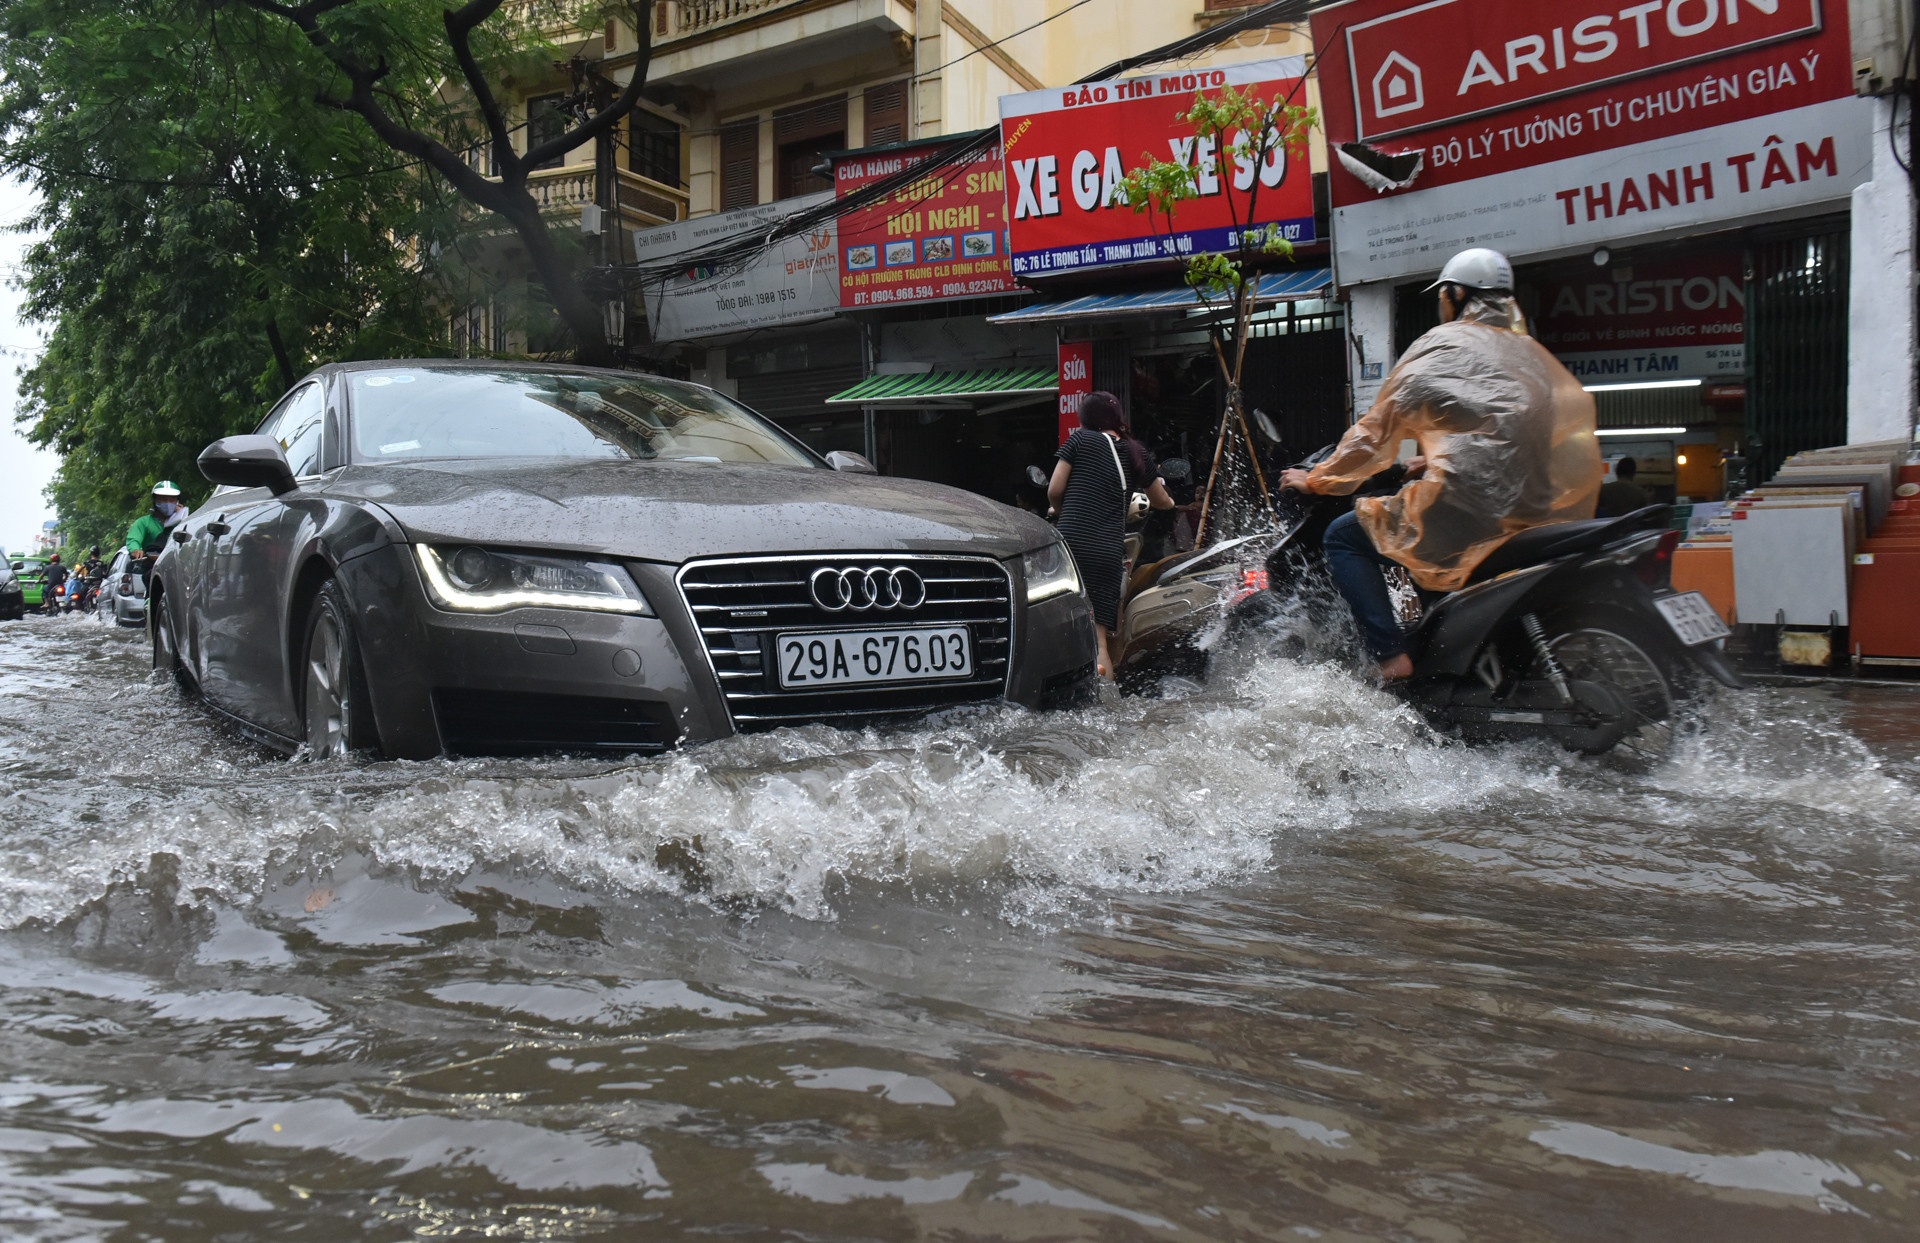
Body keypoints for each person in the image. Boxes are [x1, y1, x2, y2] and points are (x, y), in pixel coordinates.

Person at [1280, 248, 1600, 680]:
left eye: (1442, 295)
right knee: (1417, 543)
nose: (1440, 303)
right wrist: (1433, 464)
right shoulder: (1531, 355)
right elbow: (1500, 433)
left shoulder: (1448, 344)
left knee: (1343, 537)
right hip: (1533, 510)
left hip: (1473, 508)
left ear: (1456, 293)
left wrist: (1318, 479)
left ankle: (1390, 658)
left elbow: (1378, 430)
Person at [1048, 391, 1176, 679]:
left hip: (1071, 547)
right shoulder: (1135, 450)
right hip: (1107, 551)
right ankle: (1104, 701)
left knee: (1060, 625)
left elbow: (1055, 490)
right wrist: (1170, 502)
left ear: (1085, 417)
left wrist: (1060, 510)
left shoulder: (1079, 440)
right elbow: (1160, 500)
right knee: (1098, 636)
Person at [126, 480, 187, 562]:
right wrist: (136, 550)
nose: (168, 503)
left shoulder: (184, 521)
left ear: (177, 501)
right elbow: (133, 540)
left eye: (172, 500)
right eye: (163, 499)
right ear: (155, 500)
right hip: (151, 565)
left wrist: (182, 518)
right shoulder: (143, 522)